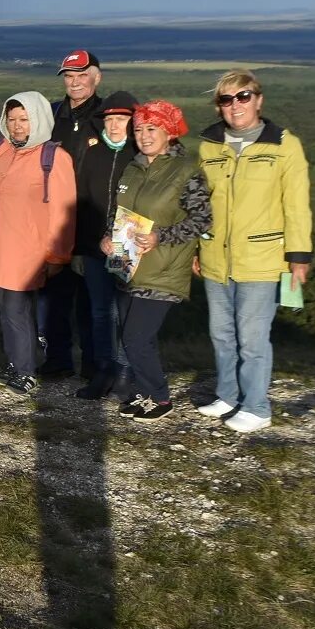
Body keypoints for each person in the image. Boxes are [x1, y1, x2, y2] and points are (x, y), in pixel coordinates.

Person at [195, 70, 312, 433]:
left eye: (243, 96)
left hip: (262, 259)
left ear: (258, 99)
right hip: (216, 257)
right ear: (219, 107)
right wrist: (197, 249)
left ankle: (257, 406)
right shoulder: (208, 146)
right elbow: (201, 204)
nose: (235, 105)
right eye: (226, 100)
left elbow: (296, 204)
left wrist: (299, 255)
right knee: (221, 334)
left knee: (252, 337)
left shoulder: (284, 145)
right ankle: (228, 395)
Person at [101, 101, 211, 423]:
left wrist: (161, 236)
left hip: (163, 268)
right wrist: (106, 238)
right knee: (131, 337)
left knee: (137, 337)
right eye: (138, 129)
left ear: (170, 132)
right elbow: (117, 213)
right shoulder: (132, 168)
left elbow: (202, 219)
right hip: (126, 265)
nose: (144, 136)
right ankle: (145, 393)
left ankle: (160, 398)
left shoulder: (187, 170)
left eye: (152, 129)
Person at [0, 91, 76, 395]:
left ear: (38, 120)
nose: (17, 126)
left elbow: (64, 211)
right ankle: (15, 363)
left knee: (17, 311)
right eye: (12, 119)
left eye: (24, 119)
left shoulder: (54, 158)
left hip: (27, 251)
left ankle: (25, 370)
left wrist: (57, 256)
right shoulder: (2, 151)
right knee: (5, 309)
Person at [40, 49, 106, 379]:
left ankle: (97, 366)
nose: (75, 82)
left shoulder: (111, 117)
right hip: (58, 223)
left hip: (99, 226)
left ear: (97, 77)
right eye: (69, 76)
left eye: (82, 75)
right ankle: (58, 362)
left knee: (98, 305)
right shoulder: (52, 117)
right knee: (55, 301)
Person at [73, 91, 140, 400]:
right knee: (101, 311)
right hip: (94, 248)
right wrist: (80, 248)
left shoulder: (139, 156)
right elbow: (81, 202)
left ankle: (126, 371)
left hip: (128, 245)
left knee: (125, 311)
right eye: (110, 119)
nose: (114, 126)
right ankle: (104, 369)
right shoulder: (94, 153)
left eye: (121, 119)